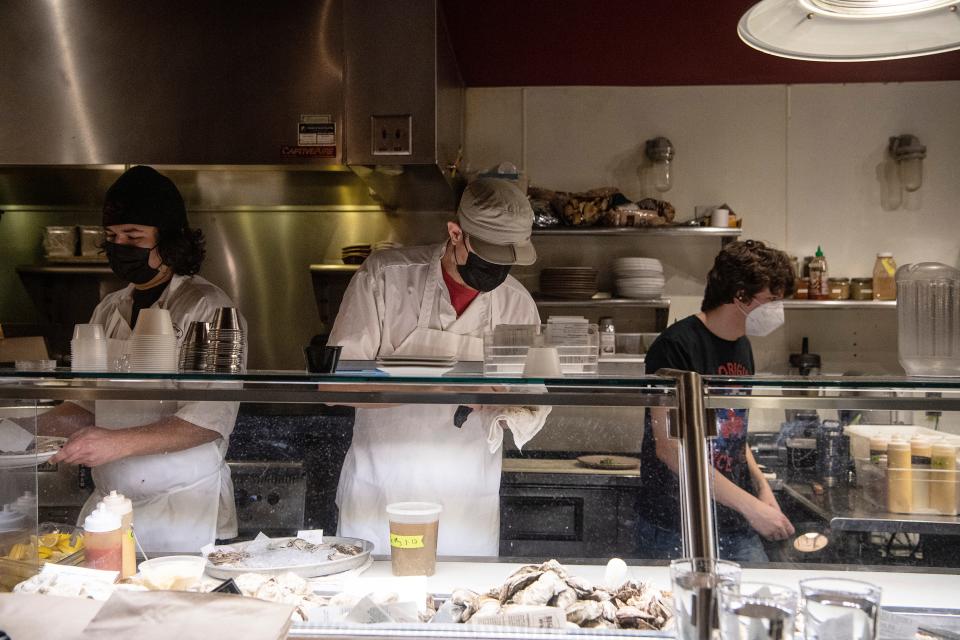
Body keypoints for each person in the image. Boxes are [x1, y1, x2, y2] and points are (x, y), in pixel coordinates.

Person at [329, 178, 550, 556]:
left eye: (506, 259)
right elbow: (334, 387)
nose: (496, 270)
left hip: (466, 504)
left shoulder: (518, 304)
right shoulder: (385, 278)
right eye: (488, 256)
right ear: (455, 233)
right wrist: (447, 388)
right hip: (381, 494)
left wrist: (503, 404)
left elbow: (537, 399)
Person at [46, 165, 246, 552]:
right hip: (110, 509)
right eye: (113, 236)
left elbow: (210, 420)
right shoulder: (108, 308)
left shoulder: (209, 307)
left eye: (134, 236)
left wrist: (115, 444)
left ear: (169, 240)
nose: (121, 246)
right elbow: (87, 406)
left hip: (185, 511)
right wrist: (18, 430)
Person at [637, 240, 796, 562]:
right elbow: (669, 448)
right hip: (676, 523)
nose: (777, 309)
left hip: (734, 521)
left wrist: (761, 489)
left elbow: (736, 433)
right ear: (740, 296)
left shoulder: (743, 347)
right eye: (771, 300)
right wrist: (751, 506)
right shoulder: (675, 346)